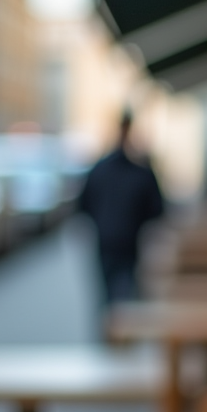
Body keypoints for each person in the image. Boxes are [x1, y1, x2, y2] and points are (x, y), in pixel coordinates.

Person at [77, 111, 163, 305]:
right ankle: (116, 331)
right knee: (124, 297)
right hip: (126, 242)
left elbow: (83, 206)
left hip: (109, 241)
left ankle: (109, 332)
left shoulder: (99, 170)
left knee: (110, 297)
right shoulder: (140, 171)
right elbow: (157, 209)